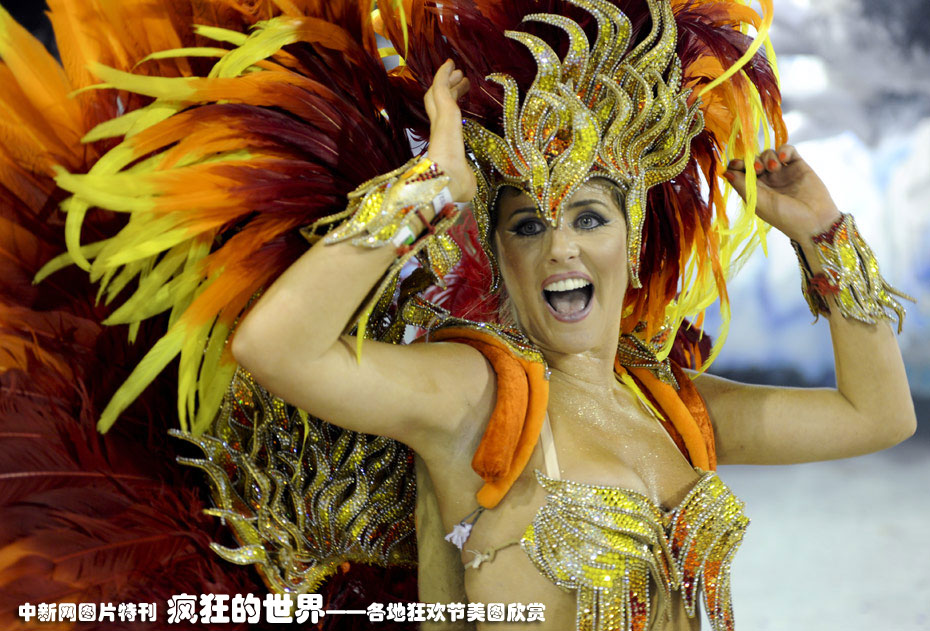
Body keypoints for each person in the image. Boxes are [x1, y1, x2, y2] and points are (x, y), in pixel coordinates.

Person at [0, 1, 916, 630]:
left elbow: (877, 414)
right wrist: (426, 189)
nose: (561, 249)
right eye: (529, 226)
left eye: (588, 218)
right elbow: (276, 347)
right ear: (502, 258)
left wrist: (823, 233)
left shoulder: (674, 406)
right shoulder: (480, 394)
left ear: (629, 238)